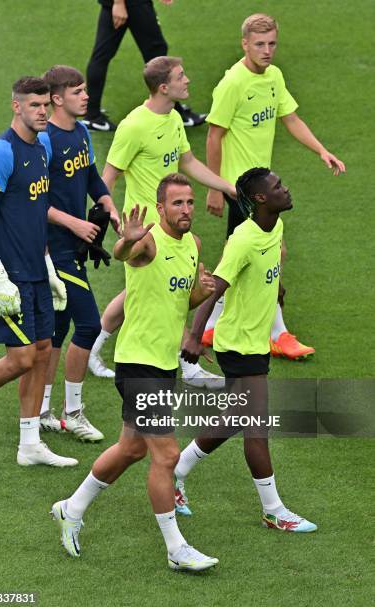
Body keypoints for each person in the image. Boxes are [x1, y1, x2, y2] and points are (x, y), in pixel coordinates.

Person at [52, 173, 219, 570]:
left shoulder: (193, 245)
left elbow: (182, 299)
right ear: (160, 208)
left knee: (131, 448)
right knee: (167, 455)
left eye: (190, 202)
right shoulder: (148, 242)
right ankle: (176, 549)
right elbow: (124, 253)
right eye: (177, 204)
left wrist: (203, 291)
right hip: (138, 364)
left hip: (163, 364)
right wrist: (126, 239)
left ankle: (70, 509)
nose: (186, 210)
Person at [175, 168, 317, 532]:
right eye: (277, 187)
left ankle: (176, 471)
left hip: (255, 343)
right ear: (260, 199)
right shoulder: (243, 239)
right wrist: (193, 336)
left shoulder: (276, 227)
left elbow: (267, 269)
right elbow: (214, 289)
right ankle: (273, 510)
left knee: (235, 419)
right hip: (238, 346)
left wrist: (277, 288)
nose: (286, 190)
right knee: (256, 426)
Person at [203, 13, 345, 360]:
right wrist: (214, 187)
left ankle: (211, 322)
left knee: (239, 255)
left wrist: (321, 150)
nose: (267, 51)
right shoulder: (233, 83)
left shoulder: (274, 77)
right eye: (260, 45)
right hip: (241, 187)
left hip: (260, 182)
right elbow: (214, 135)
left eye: (272, 44)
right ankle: (278, 332)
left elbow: (291, 118)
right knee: (270, 252)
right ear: (244, 45)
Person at [88, 55, 235, 387]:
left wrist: (225, 186)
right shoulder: (134, 126)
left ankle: (91, 350)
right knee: (167, 292)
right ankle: (188, 364)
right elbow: (107, 177)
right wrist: (109, 218)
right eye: (182, 77)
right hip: (145, 233)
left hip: (172, 224)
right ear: (164, 87)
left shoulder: (173, 119)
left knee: (143, 294)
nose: (188, 81)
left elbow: (188, 162)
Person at [0, 77, 77, 467]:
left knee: (43, 350)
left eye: (46, 104)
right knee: (22, 358)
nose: (43, 111)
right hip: (6, 273)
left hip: (34, 267)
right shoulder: (0, 153)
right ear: (16, 107)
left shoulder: (42, 147)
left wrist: (46, 262)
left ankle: (29, 445)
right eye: (34, 105)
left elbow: (34, 211)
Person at [37, 65, 121, 438]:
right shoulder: (44, 141)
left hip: (73, 245)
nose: (86, 96)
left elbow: (90, 177)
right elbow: (34, 200)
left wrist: (109, 205)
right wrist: (75, 224)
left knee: (58, 329)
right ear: (57, 98)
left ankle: (42, 409)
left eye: (85, 90)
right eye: (78, 92)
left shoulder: (82, 132)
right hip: (53, 250)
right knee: (88, 323)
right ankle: (72, 412)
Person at [84, 0, 206, 131]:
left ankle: (92, 114)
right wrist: (119, 4)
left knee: (102, 54)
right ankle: (173, 110)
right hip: (133, 4)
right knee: (157, 52)